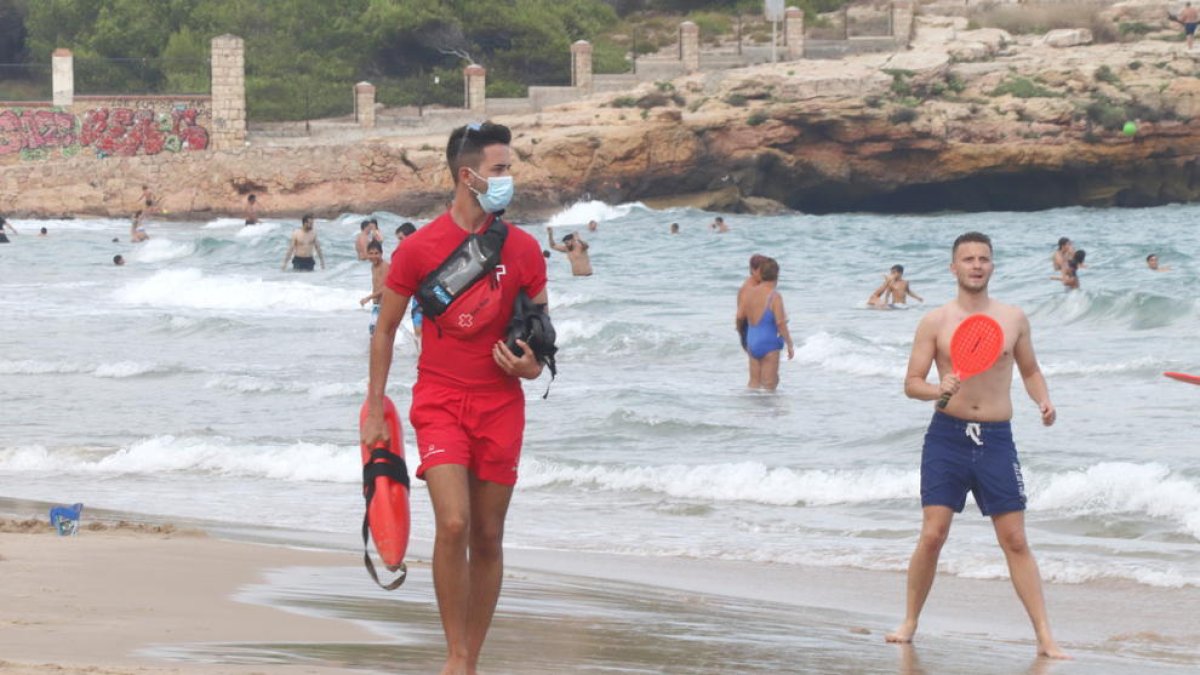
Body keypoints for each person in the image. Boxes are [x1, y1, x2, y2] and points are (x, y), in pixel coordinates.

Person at [362, 121, 548, 675]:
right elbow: (385, 328)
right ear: (468, 176)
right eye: (499, 169)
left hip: (501, 403)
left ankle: (474, 654)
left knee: (489, 534)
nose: (508, 178)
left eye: (509, 168)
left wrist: (532, 364)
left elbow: (542, 335)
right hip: (440, 398)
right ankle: (456, 656)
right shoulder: (418, 251)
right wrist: (375, 406)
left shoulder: (524, 249)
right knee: (455, 525)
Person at [885, 231, 1068, 660]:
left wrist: (1043, 399)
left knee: (1015, 540)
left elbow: (1030, 370)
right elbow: (911, 383)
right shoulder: (934, 321)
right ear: (954, 268)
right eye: (967, 259)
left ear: (992, 266)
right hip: (946, 437)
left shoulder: (1013, 319)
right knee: (933, 535)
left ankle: (1045, 636)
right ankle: (909, 622)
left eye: (983, 258)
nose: (976, 265)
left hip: (996, 440)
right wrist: (937, 390)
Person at [736, 258, 794, 390]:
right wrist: (790, 344)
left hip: (752, 341)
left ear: (761, 273)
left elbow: (740, 317)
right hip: (769, 343)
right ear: (777, 275)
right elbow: (780, 323)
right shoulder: (774, 296)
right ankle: (768, 411)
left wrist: (742, 335)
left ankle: (750, 410)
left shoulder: (749, 293)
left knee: (754, 384)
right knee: (769, 386)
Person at [735, 254, 768, 350]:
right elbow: (740, 316)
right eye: (761, 270)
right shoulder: (748, 289)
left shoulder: (759, 284)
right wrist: (741, 333)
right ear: (753, 270)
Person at [360, 240, 390, 335]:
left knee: (379, 333)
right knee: (373, 332)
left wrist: (369, 297)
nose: (373, 256)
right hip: (376, 304)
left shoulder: (385, 266)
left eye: (376, 253)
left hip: (385, 304)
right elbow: (376, 285)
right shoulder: (373, 267)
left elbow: (386, 287)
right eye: (371, 253)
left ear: (381, 253)